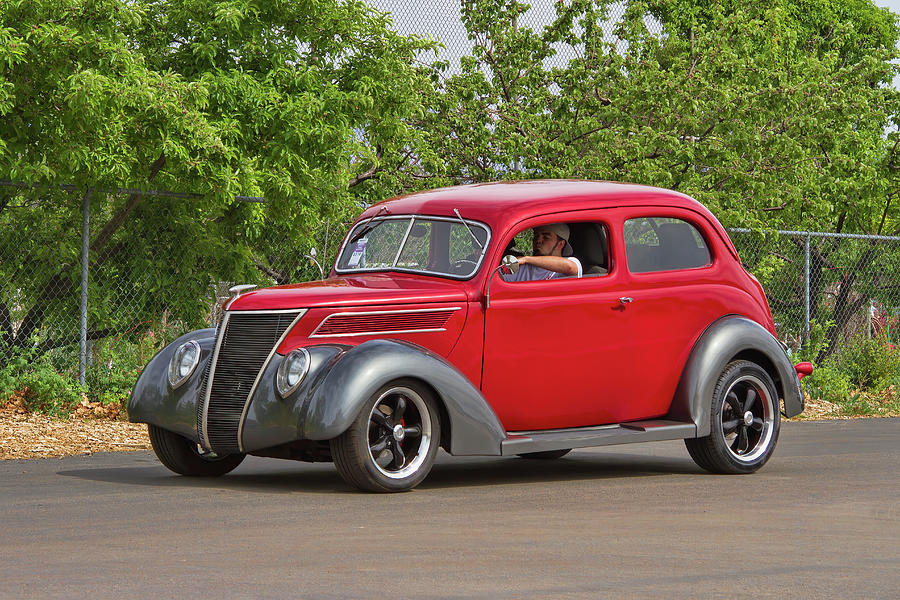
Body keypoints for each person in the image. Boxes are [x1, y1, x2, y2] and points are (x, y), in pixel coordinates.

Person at [502, 223, 582, 281]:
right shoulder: (522, 268)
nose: (538, 241)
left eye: (546, 237)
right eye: (536, 236)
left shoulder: (571, 261)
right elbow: (495, 279)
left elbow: (569, 267)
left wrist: (526, 259)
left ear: (561, 244)